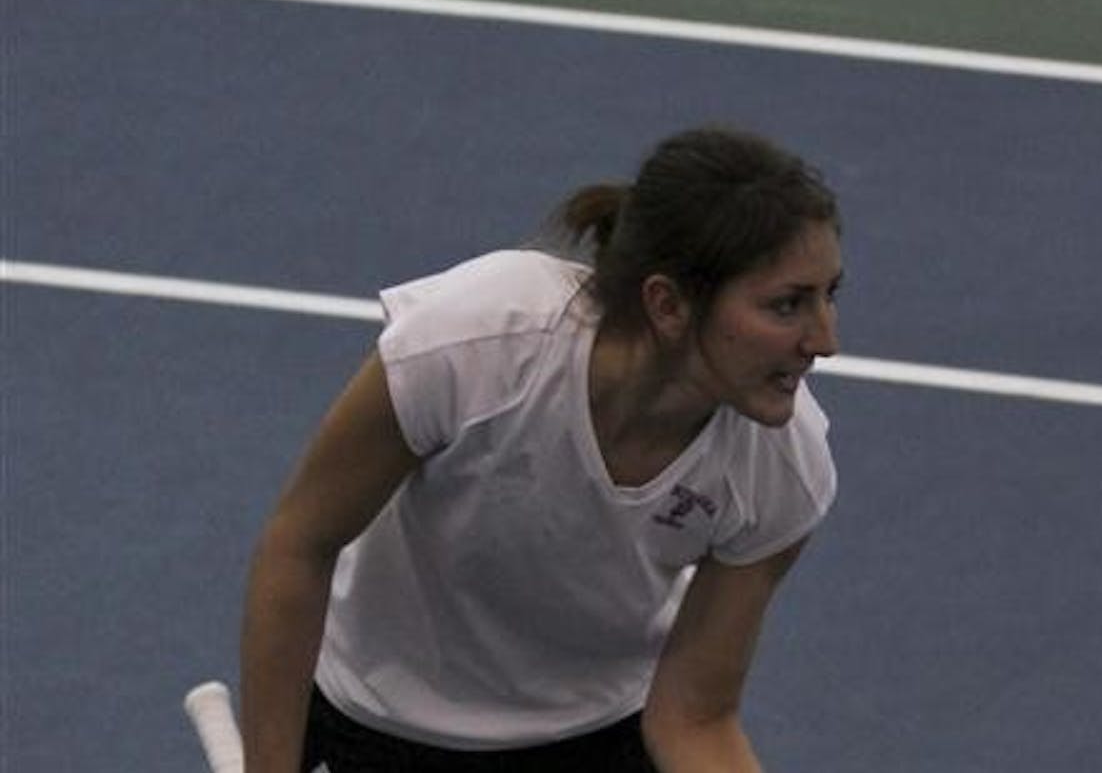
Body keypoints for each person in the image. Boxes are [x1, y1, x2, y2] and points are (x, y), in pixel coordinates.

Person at [239, 125, 845, 772]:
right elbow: (300, 545)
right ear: (668, 305)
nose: (824, 339)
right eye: (787, 305)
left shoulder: (784, 469)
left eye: (829, 296)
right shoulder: (475, 346)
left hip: (592, 737)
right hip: (372, 720)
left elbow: (695, 715)